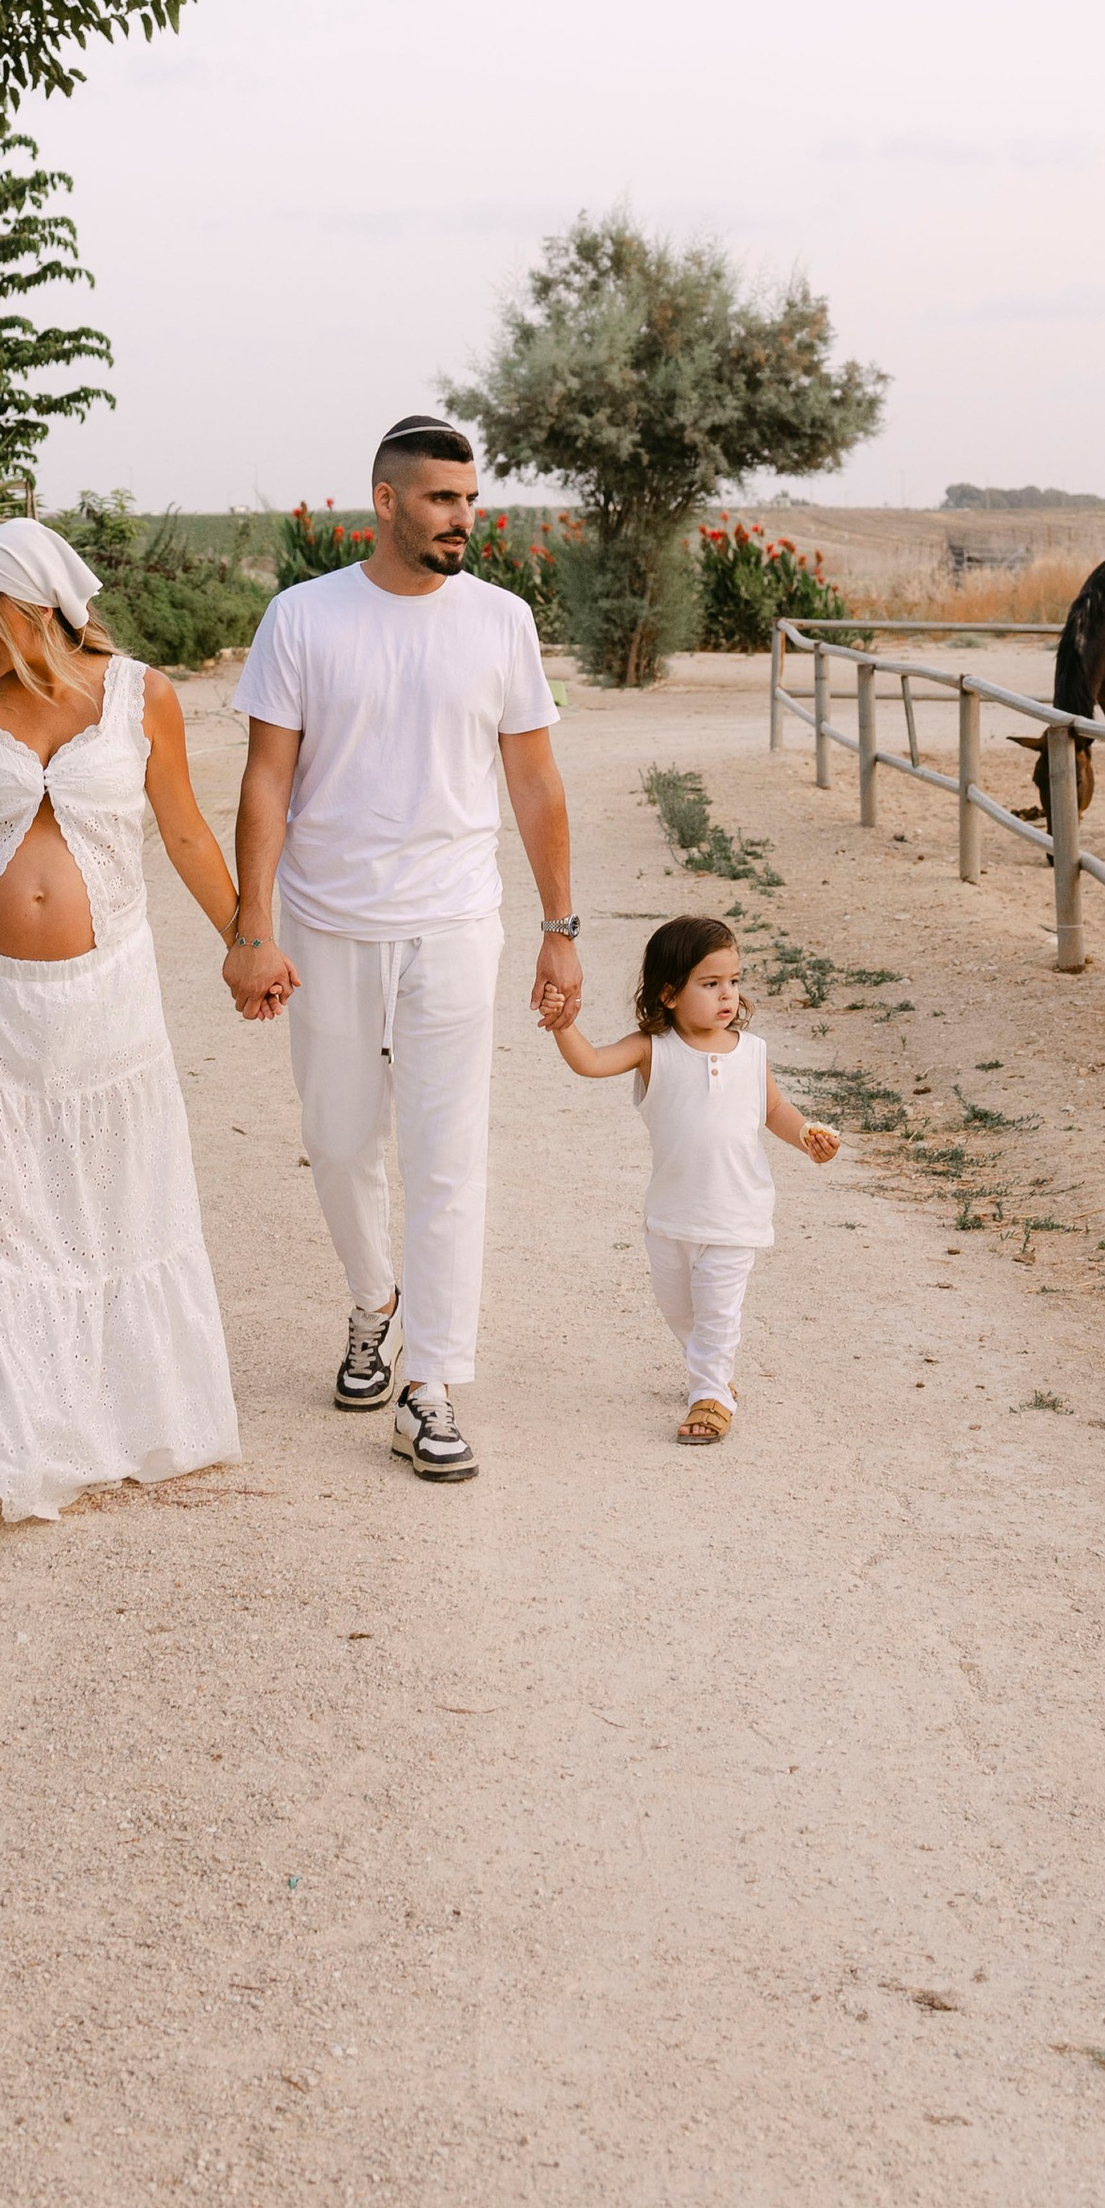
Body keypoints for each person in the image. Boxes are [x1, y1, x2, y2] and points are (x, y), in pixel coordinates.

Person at [227, 414, 580, 1487]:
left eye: (469, 501)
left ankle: (429, 1382)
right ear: (383, 503)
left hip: (456, 924)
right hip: (329, 922)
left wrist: (559, 930)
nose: (462, 520)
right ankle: (374, 1299)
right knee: (338, 1144)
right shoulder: (303, 619)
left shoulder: (500, 621)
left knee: (445, 1156)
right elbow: (266, 783)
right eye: (440, 501)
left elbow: (533, 783)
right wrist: (252, 928)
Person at [0, 518, 243, 1525]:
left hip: (106, 996)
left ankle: (96, 1414)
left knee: (100, 1204)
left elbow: (185, 834)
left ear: (35, 608)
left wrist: (244, 938)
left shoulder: (140, 697)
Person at [549, 914, 839, 1444]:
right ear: (668, 993)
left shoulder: (752, 1052)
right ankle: (712, 1367)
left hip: (734, 1213)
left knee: (717, 1307)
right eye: (710, 984)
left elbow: (774, 1109)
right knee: (680, 1309)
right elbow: (589, 1063)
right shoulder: (651, 1049)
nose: (727, 995)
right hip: (671, 1216)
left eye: (733, 981)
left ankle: (710, 1392)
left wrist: (806, 1136)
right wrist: (564, 1022)